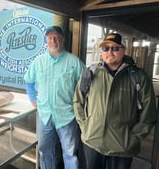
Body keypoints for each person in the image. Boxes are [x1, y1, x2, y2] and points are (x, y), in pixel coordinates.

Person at [73, 32, 157, 169]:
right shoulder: (90, 73)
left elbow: (149, 113)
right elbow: (78, 101)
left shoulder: (138, 77)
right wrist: (85, 126)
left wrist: (133, 138)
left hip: (122, 147)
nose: (110, 52)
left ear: (123, 50)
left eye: (115, 48)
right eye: (106, 48)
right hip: (93, 142)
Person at [24, 26, 85, 169]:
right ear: (46, 40)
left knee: (70, 153)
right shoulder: (38, 62)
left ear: (63, 39)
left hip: (67, 115)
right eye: (50, 37)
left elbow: (85, 85)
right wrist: (33, 100)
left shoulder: (74, 62)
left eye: (56, 37)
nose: (53, 40)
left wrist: (80, 106)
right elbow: (29, 81)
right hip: (44, 114)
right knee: (45, 150)